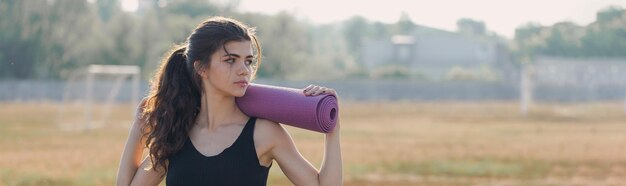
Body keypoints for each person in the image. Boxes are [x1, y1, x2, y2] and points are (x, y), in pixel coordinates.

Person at [115, 17, 342, 186]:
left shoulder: (263, 133)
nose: (244, 70)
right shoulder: (177, 133)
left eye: (248, 61)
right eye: (230, 60)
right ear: (201, 67)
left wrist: (332, 127)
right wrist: (138, 127)